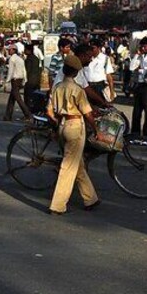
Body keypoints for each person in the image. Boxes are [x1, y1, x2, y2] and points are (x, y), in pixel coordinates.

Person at [47, 55, 100, 215]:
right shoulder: (77, 89)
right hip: (75, 125)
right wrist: (96, 130)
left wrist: (58, 123)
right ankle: (57, 205)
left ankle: (90, 198)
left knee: (77, 163)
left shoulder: (57, 87)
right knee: (69, 166)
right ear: (76, 73)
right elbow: (88, 113)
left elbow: (49, 111)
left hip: (62, 125)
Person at [3, 43, 31, 122]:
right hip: (20, 79)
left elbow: (10, 71)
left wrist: (6, 81)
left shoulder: (12, 59)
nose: (8, 51)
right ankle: (8, 116)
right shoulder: (20, 59)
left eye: (9, 50)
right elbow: (24, 70)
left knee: (18, 99)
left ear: (13, 50)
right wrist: (25, 80)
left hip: (15, 80)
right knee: (12, 99)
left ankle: (28, 114)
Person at [129, 37, 147, 136]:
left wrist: (142, 70)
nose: (142, 48)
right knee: (136, 111)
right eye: (141, 46)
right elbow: (131, 67)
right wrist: (137, 55)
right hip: (139, 85)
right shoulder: (140, 56)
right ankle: (135, 133)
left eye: (144, 46)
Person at [24, 43, 42, 109]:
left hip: (30, 80)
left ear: (29, 50)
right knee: (34, 97)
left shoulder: (28, 59)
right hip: (37, 80)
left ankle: (28, 113)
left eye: (25, 50)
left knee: (27, 98)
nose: (24, 51)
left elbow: (27, 70)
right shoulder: (36, 58)